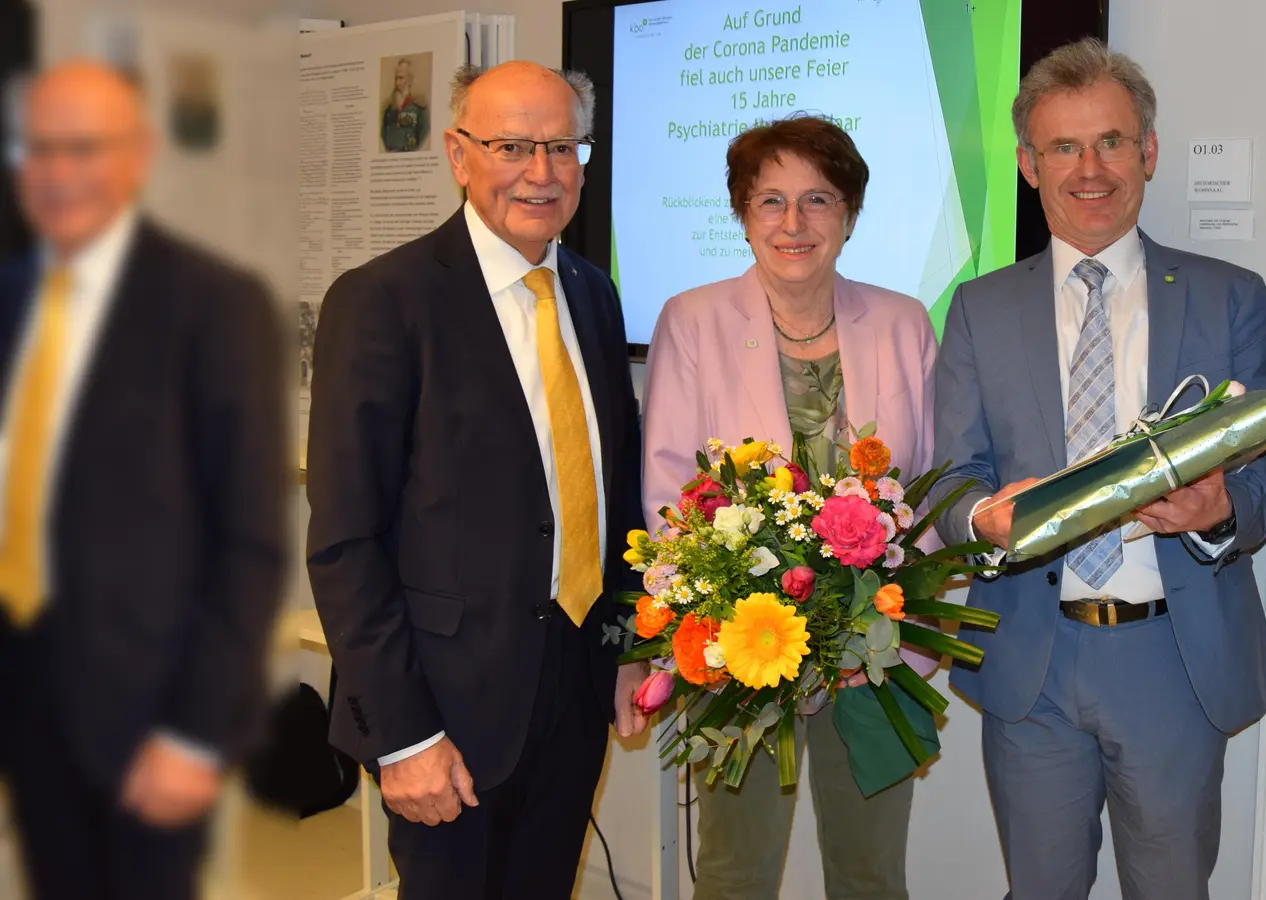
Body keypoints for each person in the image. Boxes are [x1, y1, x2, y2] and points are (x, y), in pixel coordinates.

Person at [930, 39, 1266, 900]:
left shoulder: (1228, 295)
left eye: (1112, 142)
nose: (1089, 169)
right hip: (1033, 661)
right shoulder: (980, 309)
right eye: (1063, 147)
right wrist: (983, 518)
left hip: (1173, 654)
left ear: (1149, 153)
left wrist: (1215, 509)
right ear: (1027, 165)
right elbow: (947, 479)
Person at [306, 61, 645, 899]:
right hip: (445, 713)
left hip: (571, 692)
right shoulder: (382, 301)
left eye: (563, 146)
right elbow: (347, 542)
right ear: (459, 156)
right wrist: (402, 737)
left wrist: (632, 643)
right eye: (512, 146)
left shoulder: (594, 296)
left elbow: (612, 492)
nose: (542, 172)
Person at [0, 62, 288, 900]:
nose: (58, 172)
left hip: (146, 715)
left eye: (84, 148)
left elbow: (248, 544)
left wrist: (195, 735)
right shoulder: (10, 297)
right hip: (26, 695)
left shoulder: (214, 304)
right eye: (38, 148)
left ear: (139, 155)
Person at [641, 114, 938, 900]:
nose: (794, 223)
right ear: (742, 214)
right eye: (771, 201)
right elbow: (670, 488)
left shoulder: (905, 323)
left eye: (818, 199)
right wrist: (710, 599)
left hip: (870, 652)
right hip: (740, 657)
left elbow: (932, 487)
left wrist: (909, 626)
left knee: (871, 873)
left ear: (849, 213)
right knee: (737, 873)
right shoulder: (692, 319)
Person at [382, 57, 428, 152]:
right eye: (396, 78)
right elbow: (383, 136)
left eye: (401, 78)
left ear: (410, 80)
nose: (397, 83)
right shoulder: (389, 109)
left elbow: (424, 135)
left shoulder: (419, 108)